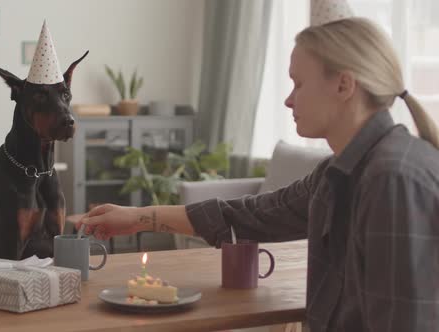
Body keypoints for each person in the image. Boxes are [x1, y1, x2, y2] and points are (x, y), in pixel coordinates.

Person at [77, 17, 439, 331]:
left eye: (298, 83)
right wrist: (138, 218)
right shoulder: (336, 174)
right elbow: (251, 216)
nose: (288, 99)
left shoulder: (392, 179)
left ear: (344, 85)